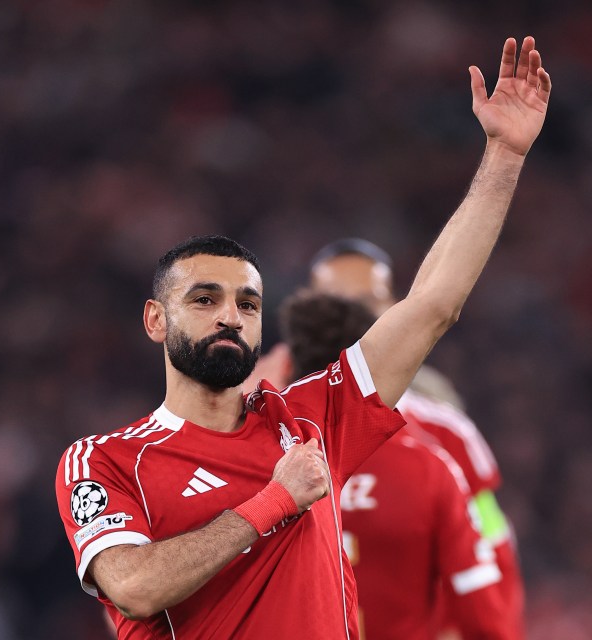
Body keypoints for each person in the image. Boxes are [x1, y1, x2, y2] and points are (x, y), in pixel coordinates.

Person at [55, 35, 551, 640]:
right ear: (155, 319)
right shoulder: (105, 459)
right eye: (204, 299)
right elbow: (133, 588)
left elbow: (432, 306)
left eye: (247, 303)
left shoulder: (313, 422)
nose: (230, 316)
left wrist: (504, 155)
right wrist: (276, 500)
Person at [308, 238, 527, 639]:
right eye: (335, 304)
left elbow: (492, 560)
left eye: (366, 301)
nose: (351, 318)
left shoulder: (448, 435)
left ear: (394, 310)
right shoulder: (260, 423)